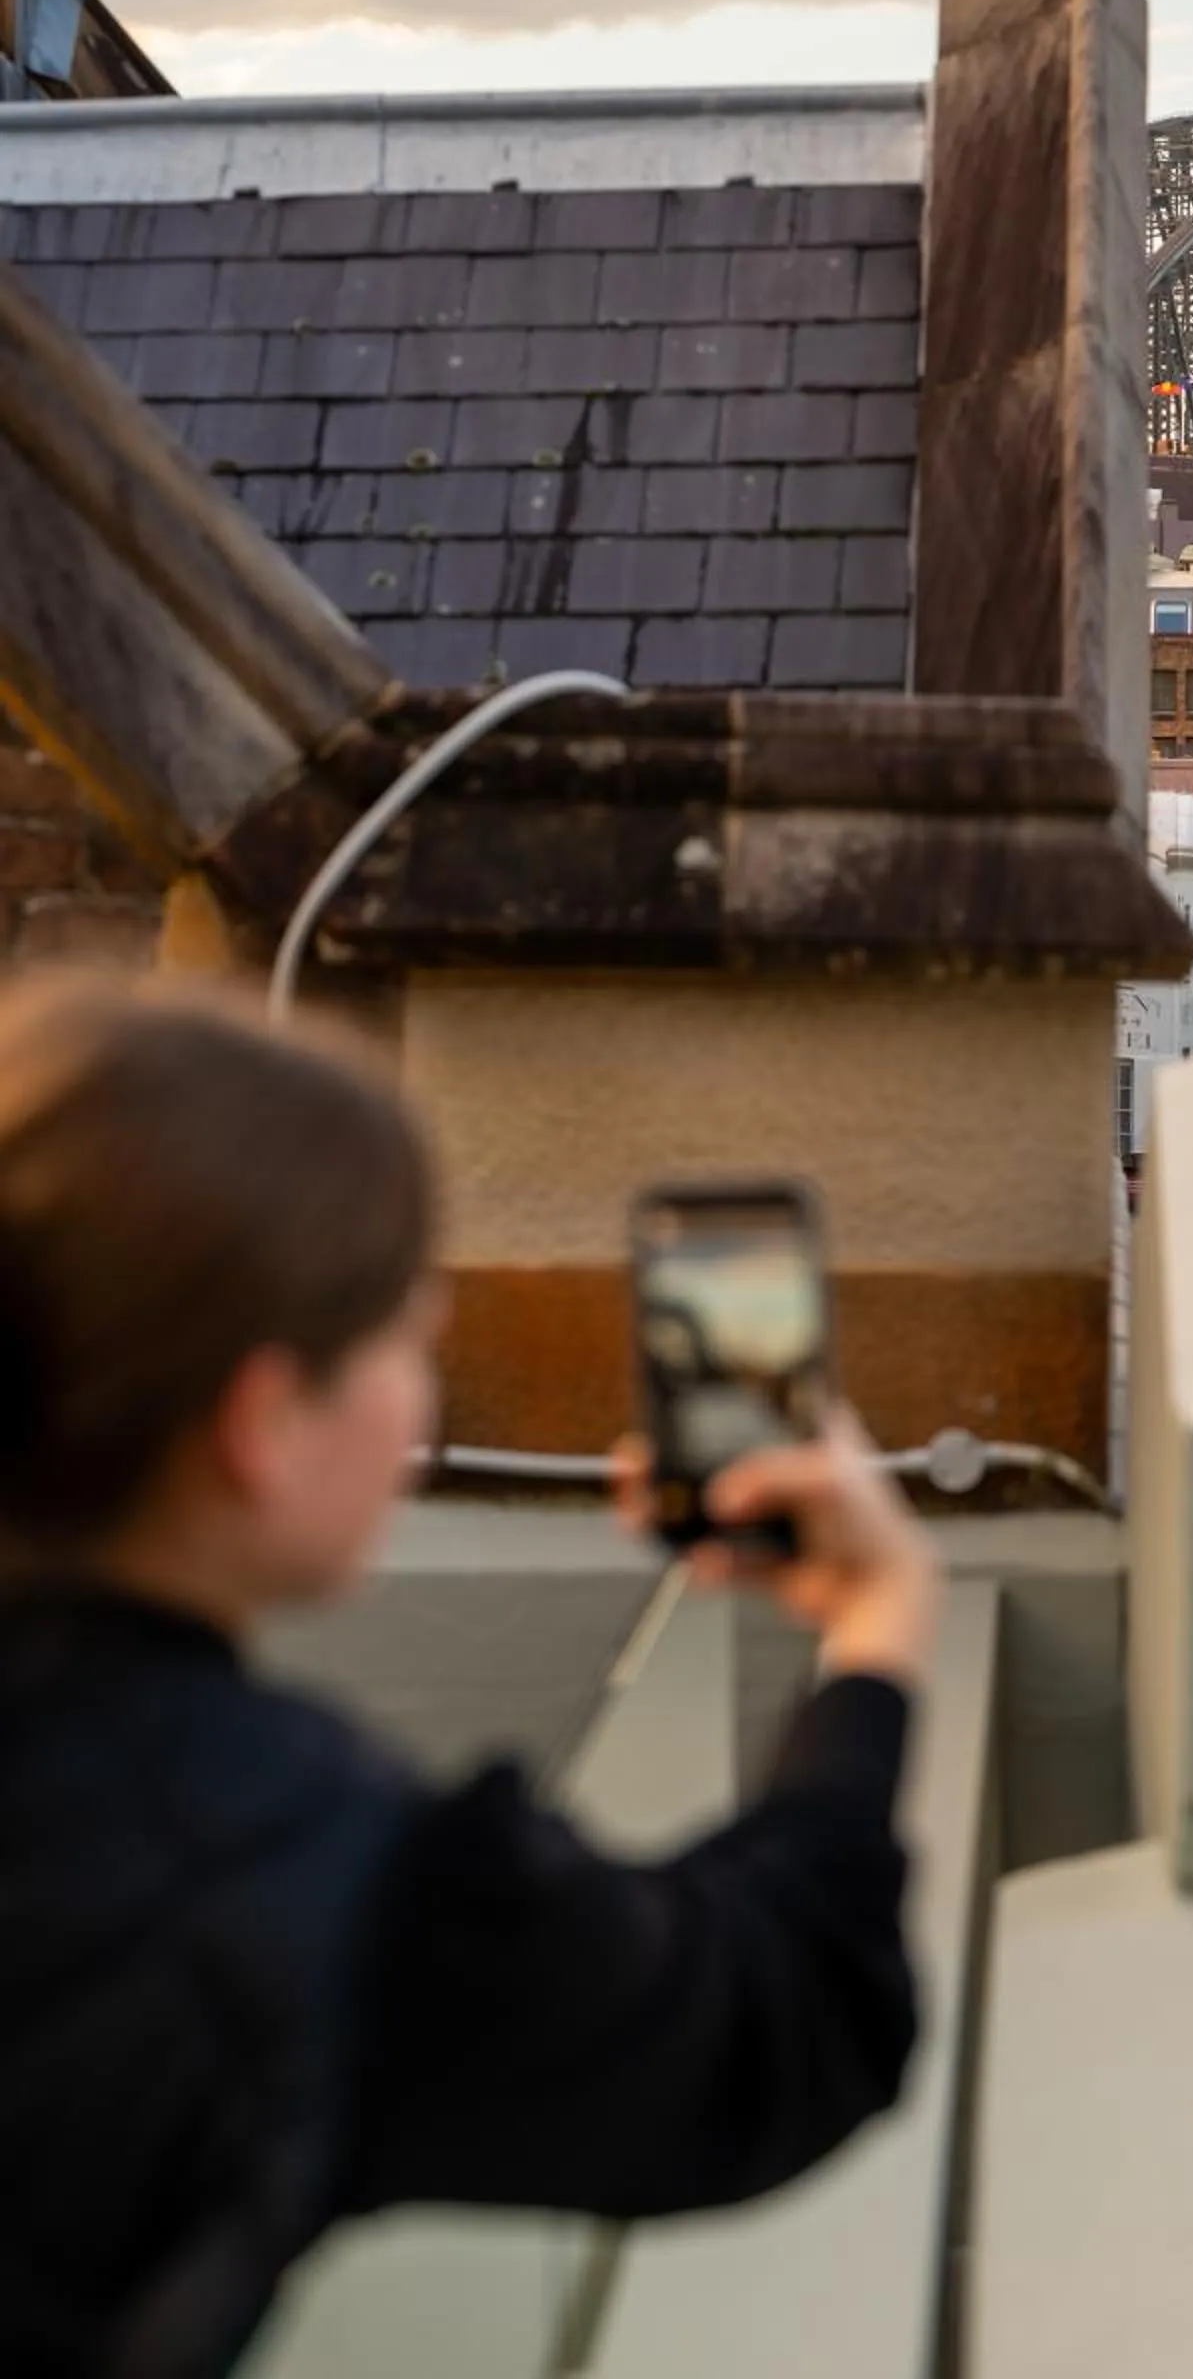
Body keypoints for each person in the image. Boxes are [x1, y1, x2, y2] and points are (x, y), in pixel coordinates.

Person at [0, 976, 940, 2378]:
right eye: (404, 1347)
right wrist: (876, 1628)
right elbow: (771, 2028)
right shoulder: (297, 1865)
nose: (422, 1427)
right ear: (260, 1420)